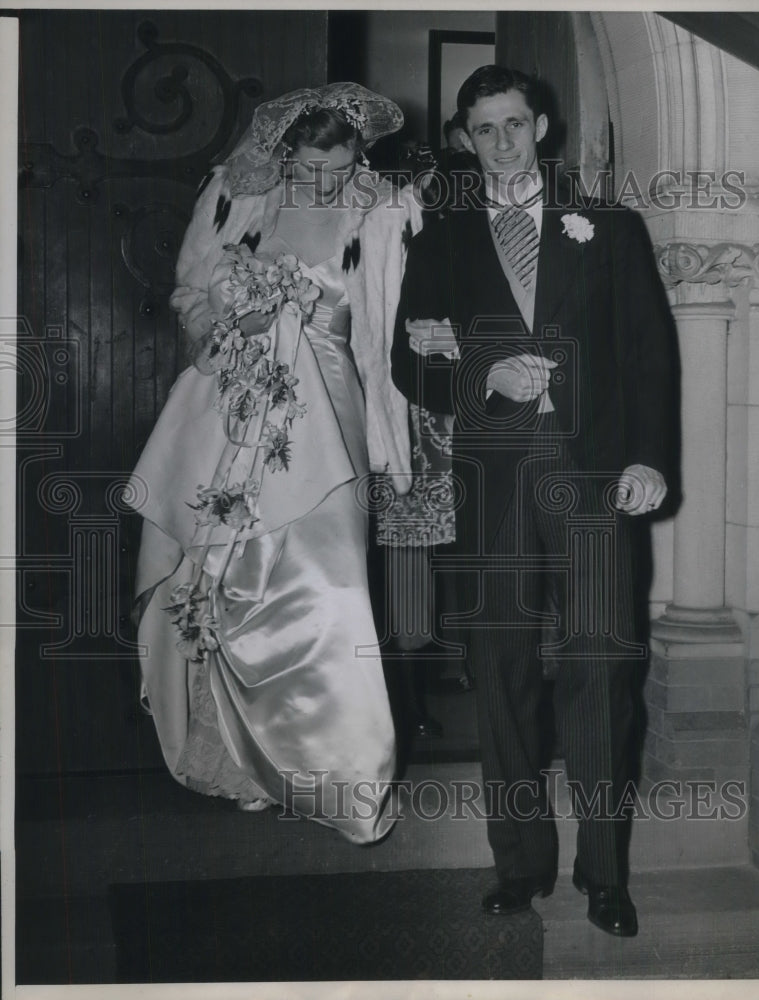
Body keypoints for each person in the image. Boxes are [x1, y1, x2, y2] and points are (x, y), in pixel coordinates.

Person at [391, 65, 677, 935]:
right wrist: (485, 371)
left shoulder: (610, 228)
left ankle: (605, 875)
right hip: (495, 487)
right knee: (503, 674)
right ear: (465, 139)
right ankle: (517, 865)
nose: (501, 142)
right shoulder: (438, 239)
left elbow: (649, 357)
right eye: (483, 129)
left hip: (593, 480)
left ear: (541, 128)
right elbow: (412, 361)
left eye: (514, 124)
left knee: (602, 670)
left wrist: (651, 461)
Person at [127, 83, 422, 845]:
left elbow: (400, 312)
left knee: (329, 586)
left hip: (331, 406)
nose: (323, 180)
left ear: (360, 156)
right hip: (232, 406)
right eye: (309, 165)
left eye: (340, 164)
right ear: (285, 152)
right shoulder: (239, 196)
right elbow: (191, 291)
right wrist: (229, 318)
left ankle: (337, 770)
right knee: (226, 574)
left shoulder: (386, 210)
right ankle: (241, 760)